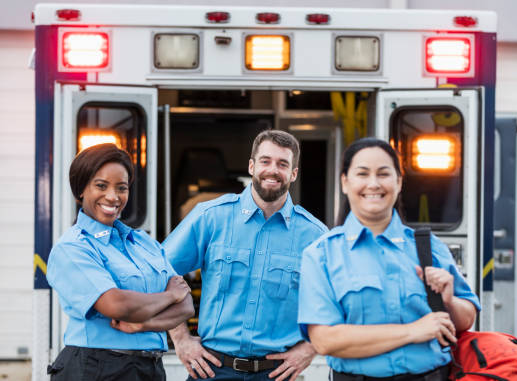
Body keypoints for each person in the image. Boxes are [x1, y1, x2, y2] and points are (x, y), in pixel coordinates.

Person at [298, 138, 481, 381]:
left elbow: (467, 318)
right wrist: (413, 331)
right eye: (362, 174)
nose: (373, 184)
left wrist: (448, 301)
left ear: (399, 181)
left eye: (383, 174)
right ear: (345, 182)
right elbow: (325, 340)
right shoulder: (321, 255)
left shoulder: (428, 246)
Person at [163, 130, 328, 381]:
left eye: (283, 164)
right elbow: (158, 271)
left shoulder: (314, 235)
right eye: (265, 161)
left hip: (278, 374)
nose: (272, 170)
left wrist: (310, 349)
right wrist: (181, 339)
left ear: (293, 173)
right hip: (211, 370)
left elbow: (337, 302)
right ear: (252, 166)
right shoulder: (211, 217)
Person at [46, 143, 194, 381]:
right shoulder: (73, 247)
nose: (113, 196)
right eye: (101, 186)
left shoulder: (144, 243)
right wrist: (168, 296)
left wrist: (141, 325)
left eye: (121, 188)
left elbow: (185, 306)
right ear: (81, 189)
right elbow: (115, 305)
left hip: (150, 368)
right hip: (96, 368)